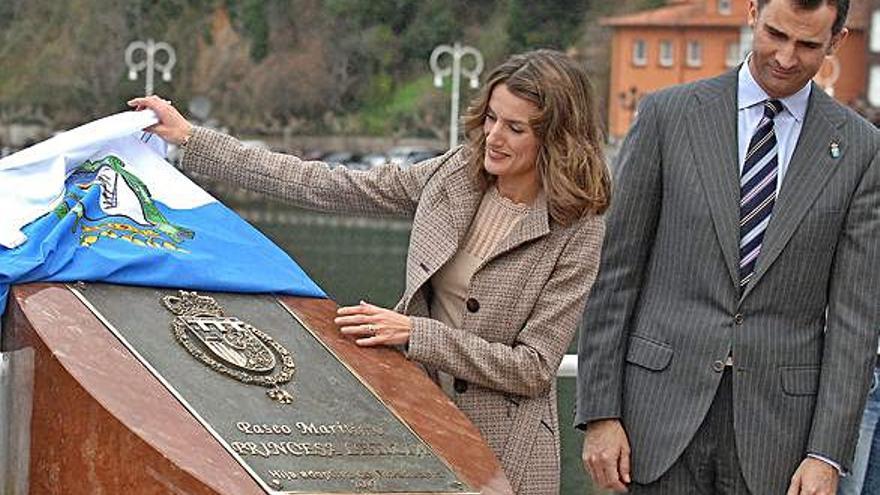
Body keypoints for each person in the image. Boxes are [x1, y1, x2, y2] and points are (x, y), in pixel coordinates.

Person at [131, 49, 610, 494]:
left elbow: (533, 368)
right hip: (416, 425)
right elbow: (330, 184)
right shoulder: (454, 175)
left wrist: (414, 334)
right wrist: (193, 140)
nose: (493, 137)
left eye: (515, 128)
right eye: (490, 118)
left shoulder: (579, 229)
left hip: (510, 455)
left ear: (556, 139)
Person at [575, 0, 880, 494]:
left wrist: (827, 454)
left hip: (780, 442)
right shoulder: (665, 116)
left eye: (807, 45)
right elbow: (615, 276)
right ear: (753, 12)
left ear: (837, 41)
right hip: (652, 424)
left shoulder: (862, 151)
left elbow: (854, 320)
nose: (784, 57)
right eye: (776, 34)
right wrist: (600, 413)